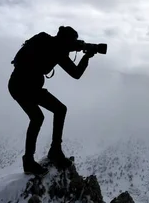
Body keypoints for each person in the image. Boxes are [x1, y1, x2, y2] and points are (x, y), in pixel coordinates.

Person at [8, 26, 96, 175]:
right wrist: (87, 56)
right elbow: (76, 74)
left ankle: (30, 160)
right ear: (67, 41)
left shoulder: (44, 40)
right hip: (27, 86)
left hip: (17, 84)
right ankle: (53, 152)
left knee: (37, 118)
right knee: (58, 110)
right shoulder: (58, 51)